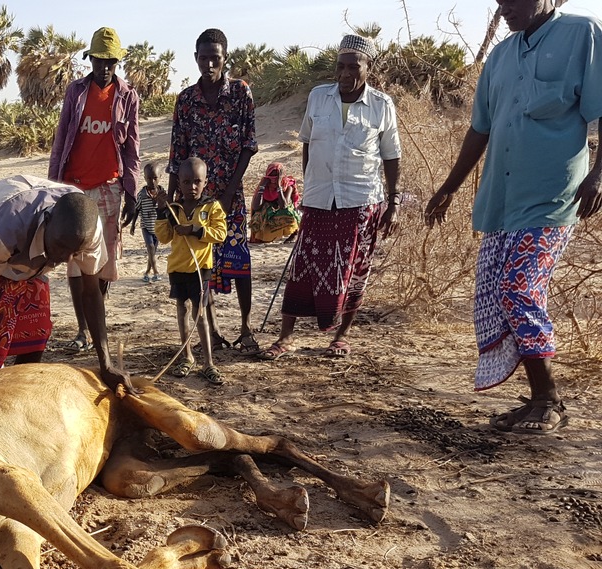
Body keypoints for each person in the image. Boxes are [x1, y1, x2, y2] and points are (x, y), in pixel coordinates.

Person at [425, 1, 602, 434]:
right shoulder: (502, 56)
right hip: (502, 201)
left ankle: (549, 399)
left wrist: (599, 174)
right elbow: (480, 129)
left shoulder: (583, 34)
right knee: (496, 295)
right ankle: (536, 399)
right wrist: (447, 188)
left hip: (552, 197)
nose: (505, 7)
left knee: (518, 288)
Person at [258, 35, 401, 361]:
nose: (346, 73)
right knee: (302, 267)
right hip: (319, 200)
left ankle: (341, 336)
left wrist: (394, 204)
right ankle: (286, 337)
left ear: (369, 67)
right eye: (341, 66)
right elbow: (307, 141)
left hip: (362, 201)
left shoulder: (382, 106)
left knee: (354, 270)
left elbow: (391, 157)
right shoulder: (318, 98)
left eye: (354, 66)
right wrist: (310, 186)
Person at [0, 175, 134, 393]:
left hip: (30, 257)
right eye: (61, 247)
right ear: (47, 222)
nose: (65, 259)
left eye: (74, 253)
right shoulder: (7, 226)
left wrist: (106, 365)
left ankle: (12, 393)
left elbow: (91, 292)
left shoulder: (87, 230)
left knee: (36, 331)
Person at [49, 26, 141, 353]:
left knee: (103, 261)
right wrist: (53, 186)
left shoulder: (127, 96)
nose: (104, 67)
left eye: (110, 61)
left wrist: (132, 192)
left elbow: (132, 148)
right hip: (74, 186)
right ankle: (82, 329)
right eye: (99, 60)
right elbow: (62, 140)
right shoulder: (76, 92)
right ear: (90, 59)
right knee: (76, 258)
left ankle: (94, 315)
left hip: (110, 187)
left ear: (118, 61)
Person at [169, 28, 259, 354]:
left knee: (239, 260)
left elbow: (248, 146)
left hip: (230, 197)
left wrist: (228, 192)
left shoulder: (240, 93)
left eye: (215, 59)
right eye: (203, 58)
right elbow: (177, 152)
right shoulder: (187, 100)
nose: (209, 64)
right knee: (200, 265)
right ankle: (215, 331)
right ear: (195, 58)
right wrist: (173, 199)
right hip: (195, 199)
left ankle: (247, 327)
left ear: (225, 59)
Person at [154, 158, 228, 384]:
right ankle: (186, 356)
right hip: (177, 268)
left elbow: (220, 233)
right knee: (182, 310)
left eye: (197, 181)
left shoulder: (211, 207)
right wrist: (160, 211)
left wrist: (194, 229)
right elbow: (164, 237)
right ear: (179, 184)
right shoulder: (173, 209)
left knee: (200, 314)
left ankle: (208, 363)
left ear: (205, 182)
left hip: (200, 269)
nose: (192, 187)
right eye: (186, 182)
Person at [128, 162, 164, 282]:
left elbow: (167, 210)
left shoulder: (163, 194)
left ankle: (147, 272)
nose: (152, 181)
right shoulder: (142, 195)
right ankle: (156, 272)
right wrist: (133, 225)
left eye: (155, 178)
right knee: (150, 247)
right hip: (146, 226)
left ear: (160, 177)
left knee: (152, 252)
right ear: (144, 178)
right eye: (149, 178)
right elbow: (137, 210)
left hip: (158, 228)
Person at [248, 162, 301, 244]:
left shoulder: (287, 185)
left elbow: (283, 205)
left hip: (282, 210)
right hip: (269, 213)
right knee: (258, 218)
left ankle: (294, 233)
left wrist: (279, 187)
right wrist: (262, 187)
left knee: (289, 214)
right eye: (271, 178)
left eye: (276, 178)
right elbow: (256, 207)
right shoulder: (264, 185)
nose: (273, 181)